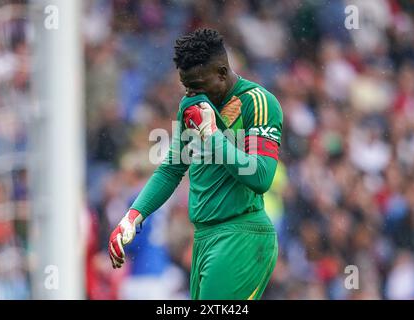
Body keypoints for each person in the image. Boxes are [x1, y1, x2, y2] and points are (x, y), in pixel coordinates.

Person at [109, 28, 284, 300]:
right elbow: (171, 169)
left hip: (241, 235)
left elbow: (261, 176)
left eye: (199, 85)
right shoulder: (191, 104)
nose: (193, 93)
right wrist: (133, 215)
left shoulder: (258, 102)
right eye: (187, 85)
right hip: (203, 238)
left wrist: (213, 136)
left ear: (223, 72)